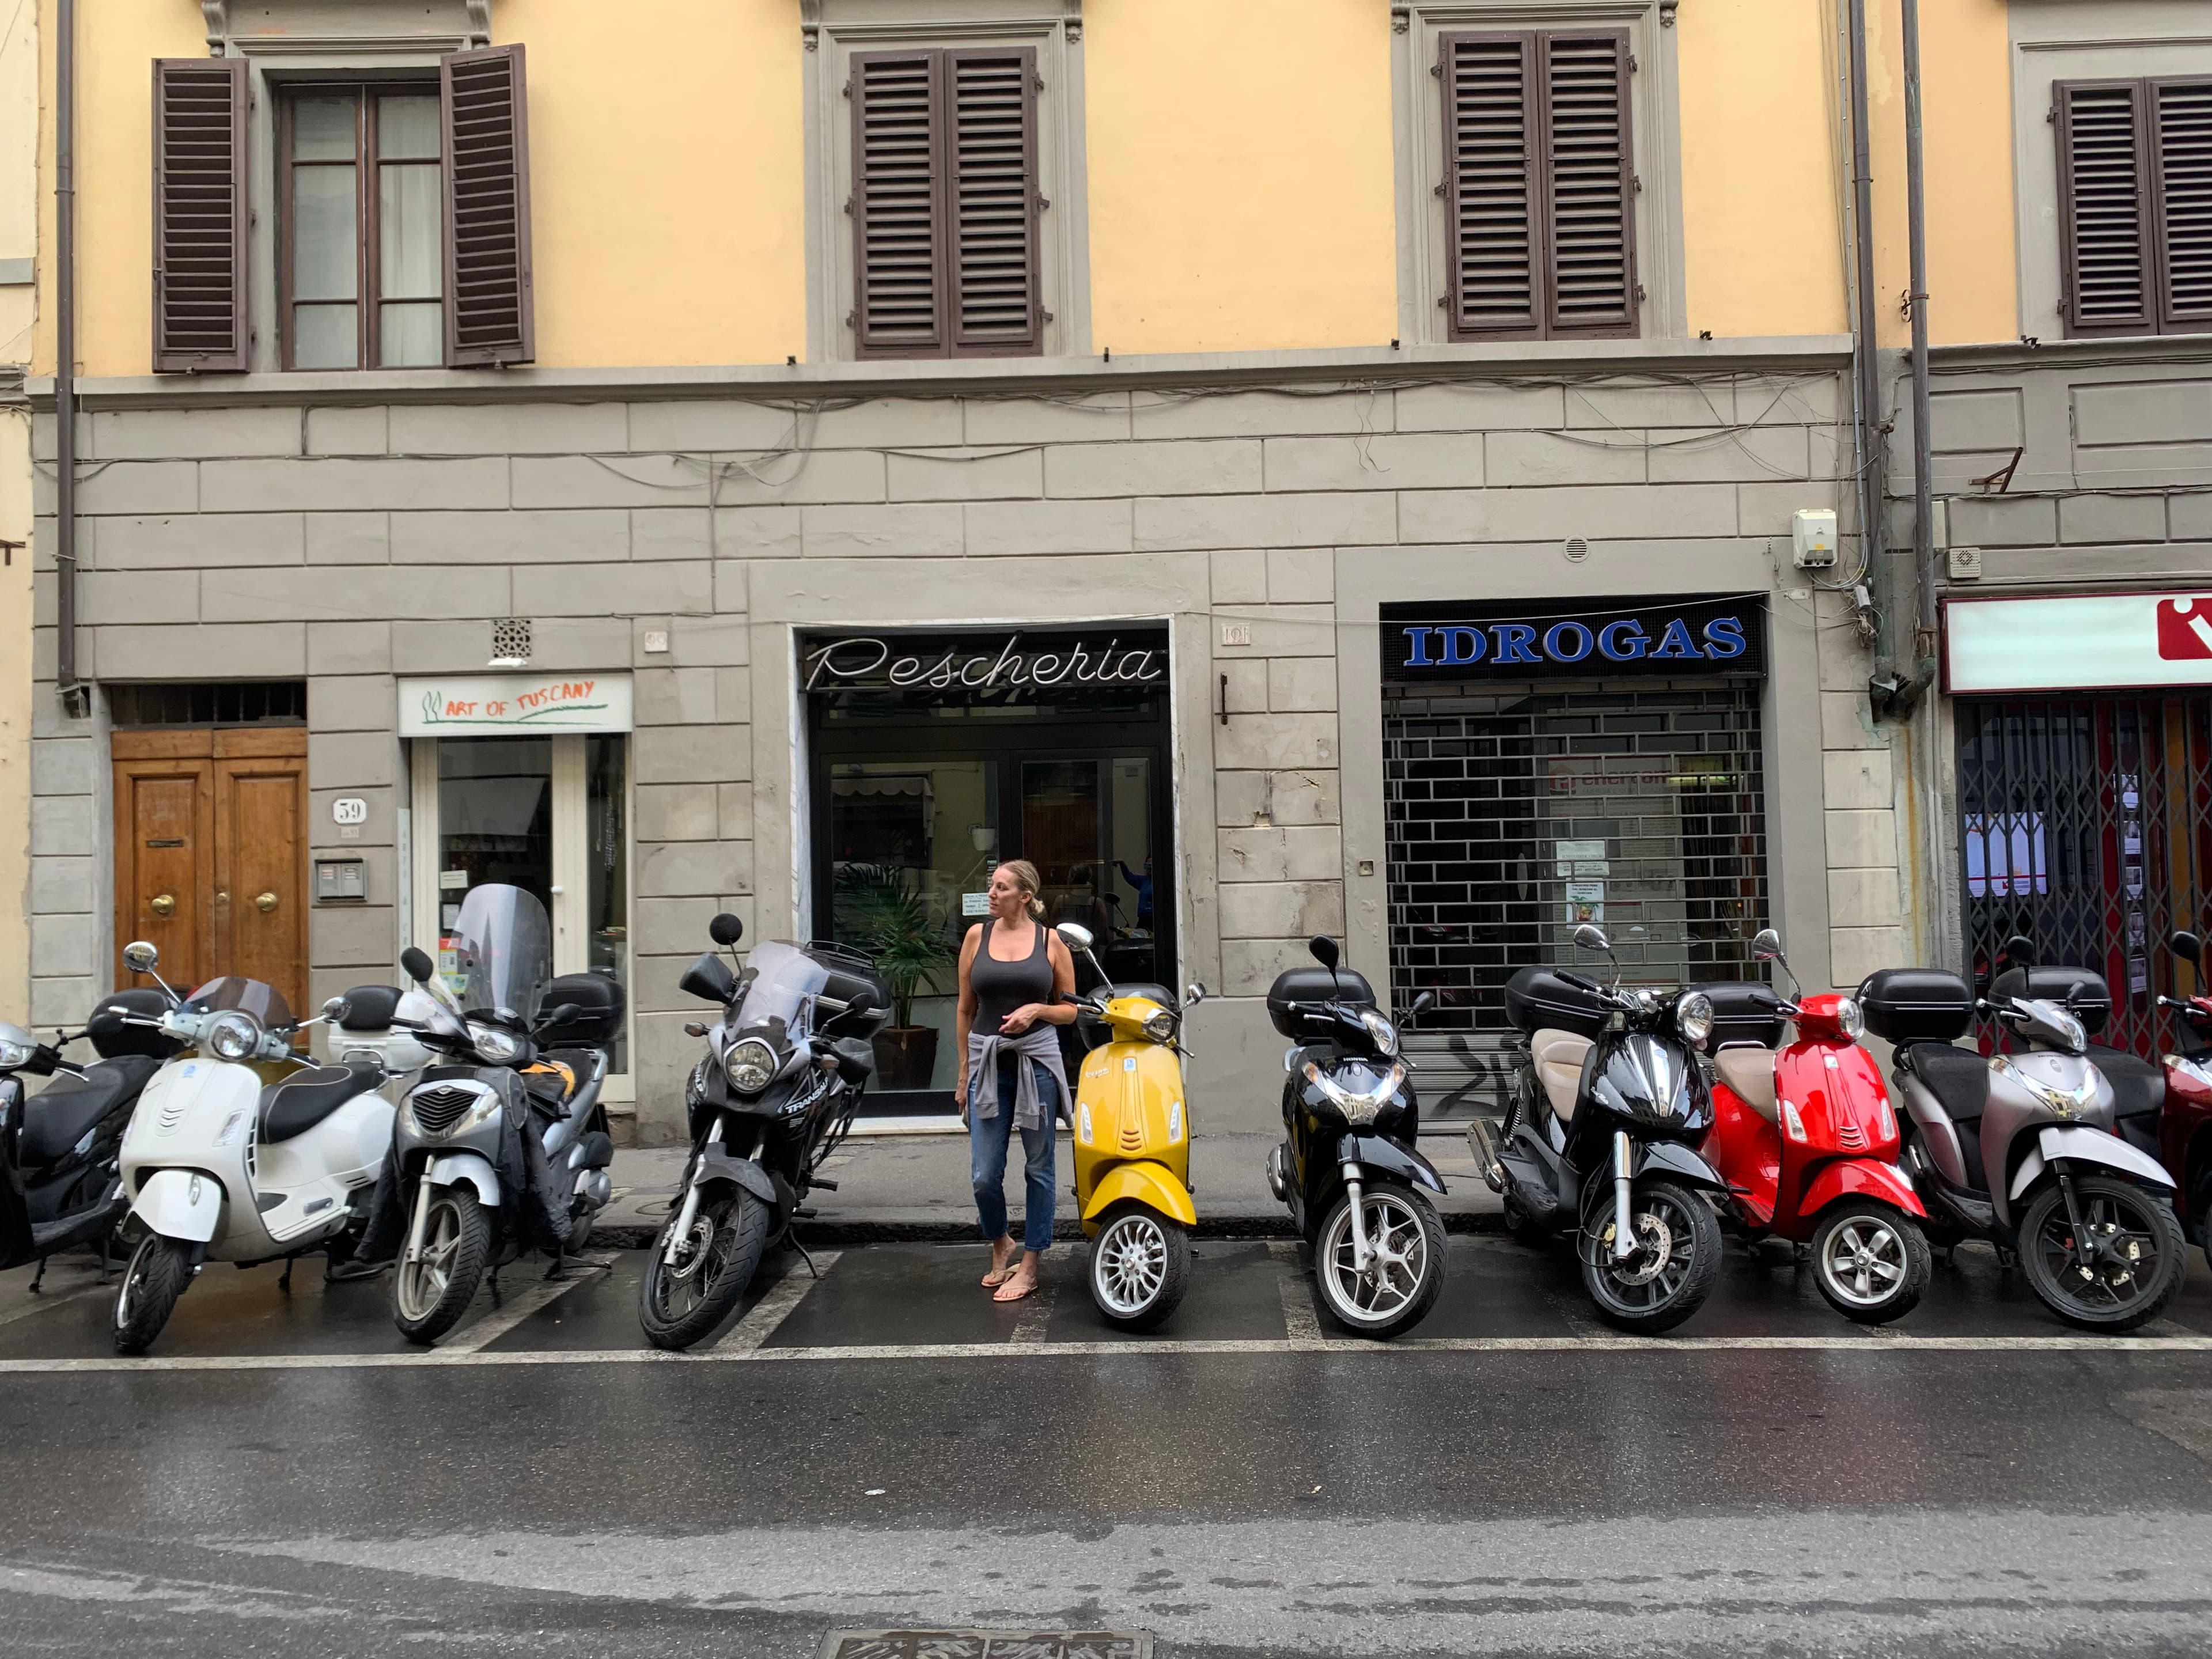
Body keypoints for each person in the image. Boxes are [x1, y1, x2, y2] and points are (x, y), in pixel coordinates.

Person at [955, 859, 1077, 1304]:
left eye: (1001, 887)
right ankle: (1001, 1241)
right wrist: (964, 1069)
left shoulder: (1050, 941)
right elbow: (965, 1010)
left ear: (1025, 896)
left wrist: (1036, 1010)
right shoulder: (976, 937)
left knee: (1039, 1168)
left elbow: (1071, 1009)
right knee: (985, 1174)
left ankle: (1029, 1264)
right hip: (988, 1066)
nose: (991, 893)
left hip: (1036, 1066)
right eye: (991, 886)